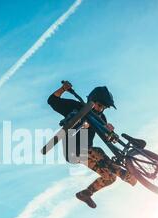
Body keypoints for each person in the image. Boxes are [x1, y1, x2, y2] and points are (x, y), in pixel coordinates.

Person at [47, 81, 137, 209]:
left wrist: (109, 132)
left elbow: (107, 138)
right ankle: (124, 174)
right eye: (99, 105)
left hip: (86, 154)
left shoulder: (102, 118)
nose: (100, 109)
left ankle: (85, 194)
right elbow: (52, 101)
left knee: (110, 177)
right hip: (73, 149)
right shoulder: (76, 106)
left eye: (103, 107)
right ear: (92, 100)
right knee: (97, 150)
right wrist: (63, 89)